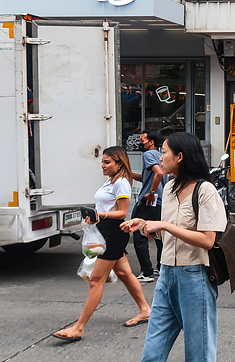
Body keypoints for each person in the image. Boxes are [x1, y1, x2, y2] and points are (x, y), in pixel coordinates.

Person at [121, 132, 228, 362]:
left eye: (164, 152)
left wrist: (166, 226)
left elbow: (208, 240)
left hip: (194, 276)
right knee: (152, 353)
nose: (160, 157)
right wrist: (145, 224)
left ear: (179, 156)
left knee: (198, 354)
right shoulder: (169, 189)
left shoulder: (205, 190)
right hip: (166, 274)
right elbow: (166, 232)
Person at [53, 146, 151, 342]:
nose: (103, 165)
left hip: (113, 234)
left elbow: (123, 213)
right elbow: (106, 207)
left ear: (119, 163)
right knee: (124, 273)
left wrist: (101, 214)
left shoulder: (122, 182)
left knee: (96, 280)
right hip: (105, 230)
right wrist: (95, 216)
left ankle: (79, 327)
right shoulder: (111, 181)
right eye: (103, 162)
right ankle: (145, 310)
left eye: (107, 162)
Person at [131, 131, 165, 283]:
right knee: (159, 236)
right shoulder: (159, 155)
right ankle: (160, 268)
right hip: (159, 202)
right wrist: (130, 174)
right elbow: (150, 176)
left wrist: (151, 192)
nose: (140, 142)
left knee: (139, 235)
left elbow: (158, 173)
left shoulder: (148, 154)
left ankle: (147, 272)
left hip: (148, 202)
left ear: (151, 142)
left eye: (142, 139)